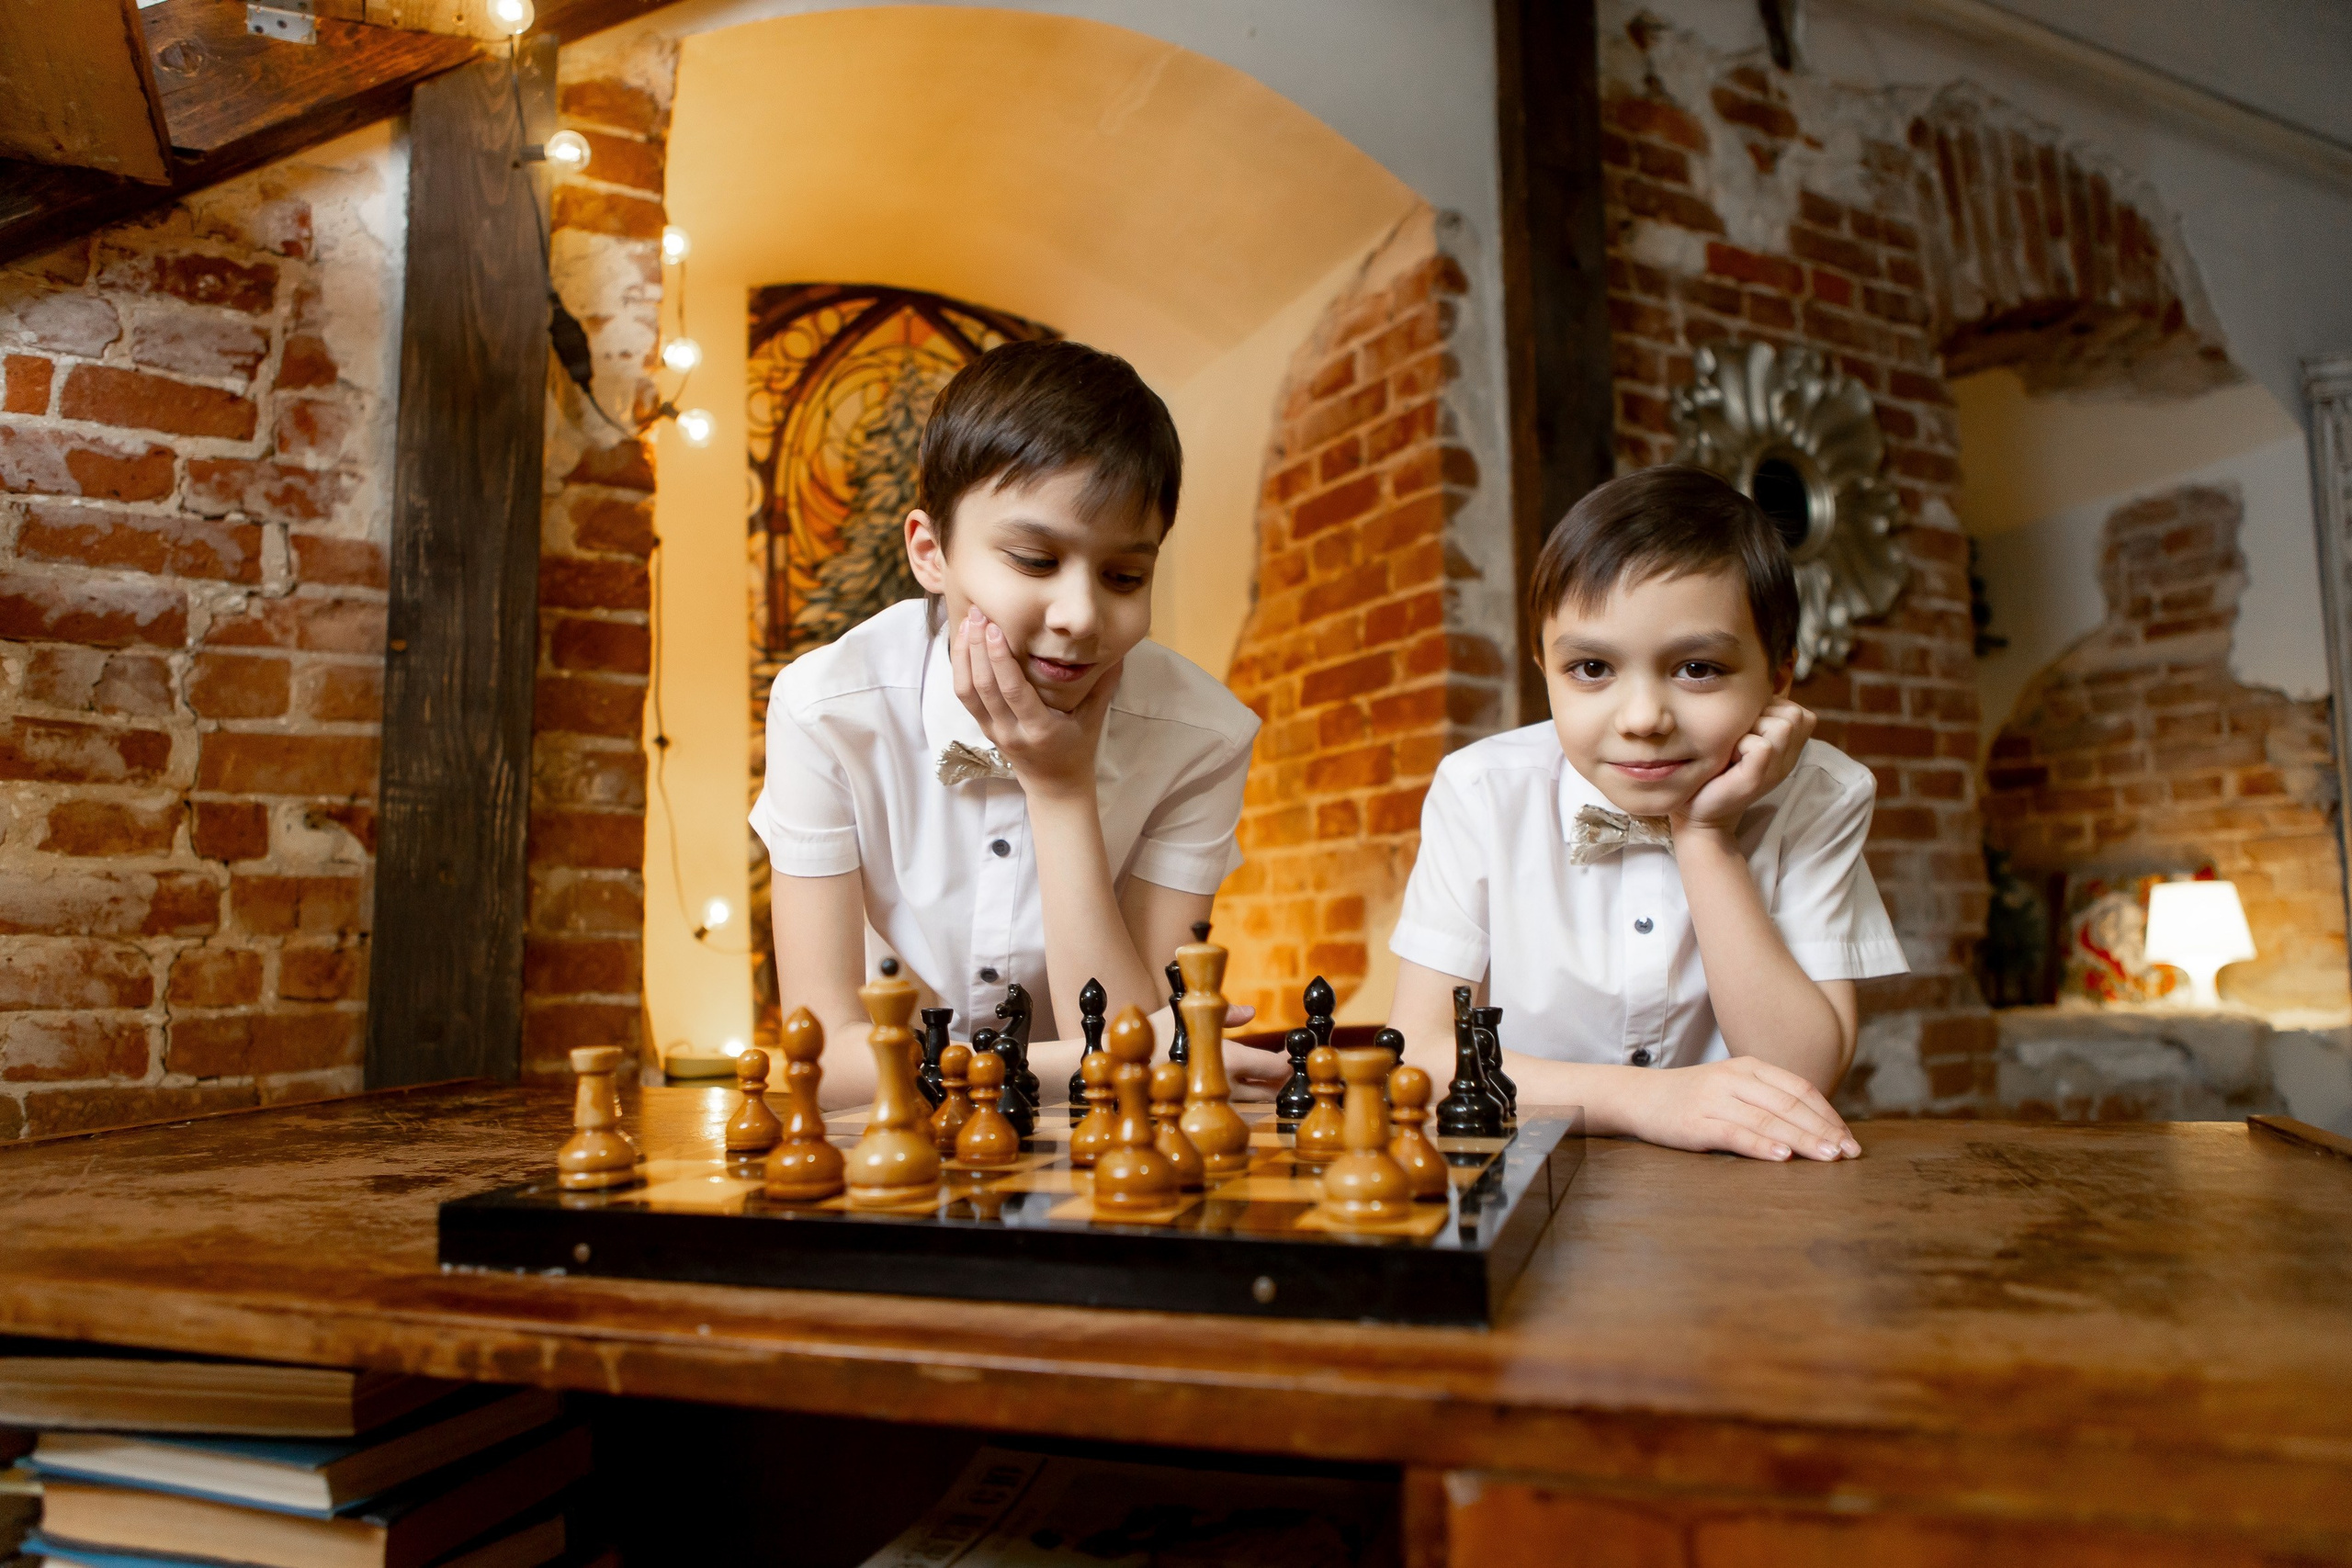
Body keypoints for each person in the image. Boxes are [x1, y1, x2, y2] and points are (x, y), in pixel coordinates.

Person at [753, 340, 1277, 1105]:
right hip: (889, 1152)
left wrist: (1061, 791)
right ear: (931, 553)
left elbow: (1134, 1073)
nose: (1080, 617)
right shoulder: (827, 709)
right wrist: (1073, 1063)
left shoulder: (1202, 737)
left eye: (1125, 576)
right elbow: (824, 1063)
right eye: (1034, 559)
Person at [1385, 466, 1906, 1161]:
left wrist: (1706, 836)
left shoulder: (1820, 795)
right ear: (1545, 667)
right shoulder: (1481, 791)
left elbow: (1800, 1077)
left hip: (1743, 1204)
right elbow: (1419, 1055)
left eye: (1697, 668)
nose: (1641, 719)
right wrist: (1649, 1100)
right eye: (1592, 669)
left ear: (1779, 676)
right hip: (1529, 1183)